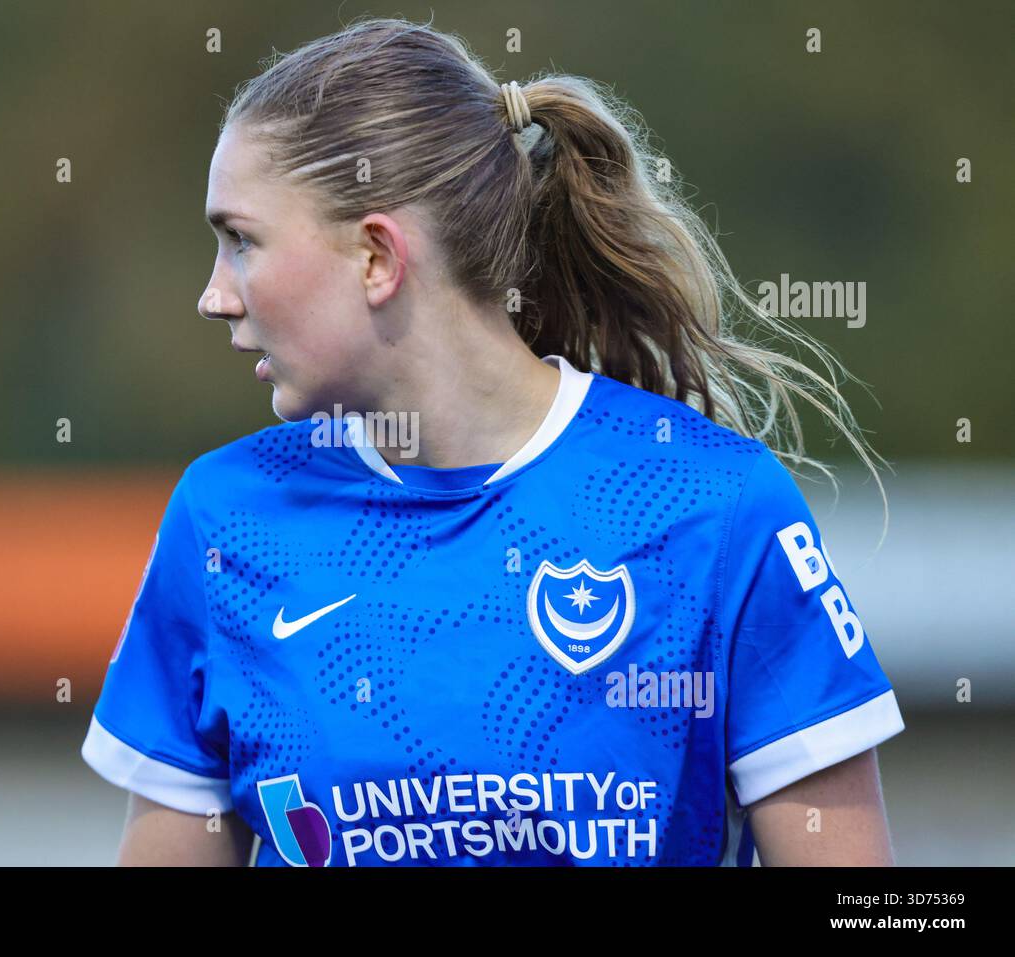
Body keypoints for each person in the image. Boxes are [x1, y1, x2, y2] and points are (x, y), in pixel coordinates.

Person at [81, 17, 903, 866]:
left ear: (375, 257)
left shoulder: (715, 505)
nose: (215, 295)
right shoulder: (224, 521)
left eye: (240, 241)